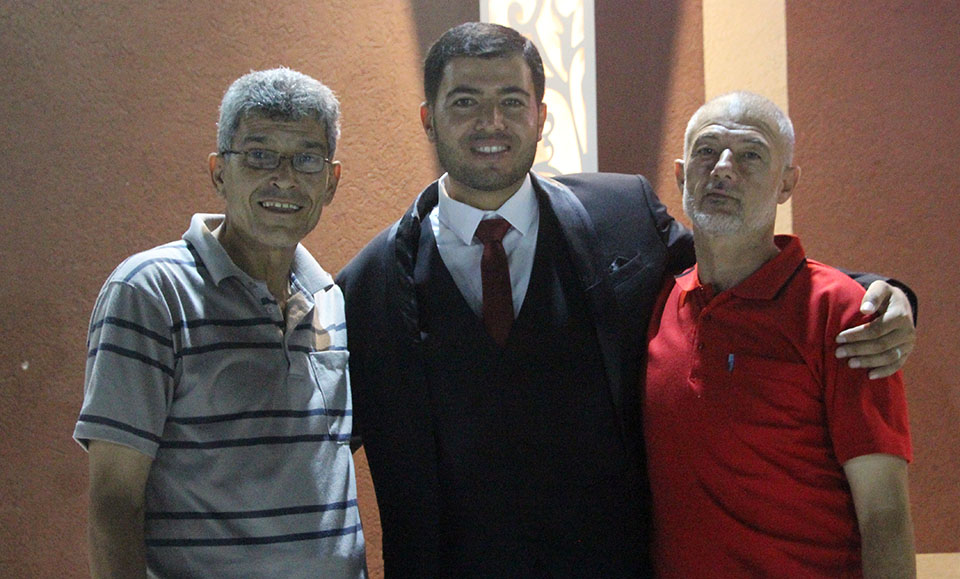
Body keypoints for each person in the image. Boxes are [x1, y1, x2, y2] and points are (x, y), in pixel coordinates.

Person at [337, 23, 916, 577]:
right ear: (428, 119)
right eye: (465, 101)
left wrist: (878, 293)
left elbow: (735, 261)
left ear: (541, 116)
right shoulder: (368, 285)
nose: (492, 122)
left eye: (512, 101)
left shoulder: (621, 215)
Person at [74, 68, 367, 578]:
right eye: (258, 155)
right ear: (218, 173)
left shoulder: (331, 299)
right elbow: (114, 504)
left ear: (332, 181)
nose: (284, 178)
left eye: (306, 158)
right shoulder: (150, 292)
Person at [643, 92, 915, 578]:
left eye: (751, 154)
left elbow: (885, 515)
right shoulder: (659, 303)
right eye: (707, 151)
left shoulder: (843, 313)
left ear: (787, 183)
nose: (723, 169)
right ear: (682, 176)